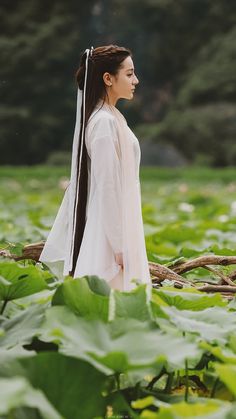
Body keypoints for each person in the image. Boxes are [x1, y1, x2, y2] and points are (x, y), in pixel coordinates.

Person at [39, 44, 151, 292]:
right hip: (107, 238)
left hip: (120, 228)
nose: (136, 80)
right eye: (130, 74)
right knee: (112, 305)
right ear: (108, 78)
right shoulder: (102, 122)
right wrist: (120, 247)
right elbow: (107, 187)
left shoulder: (112, 116)